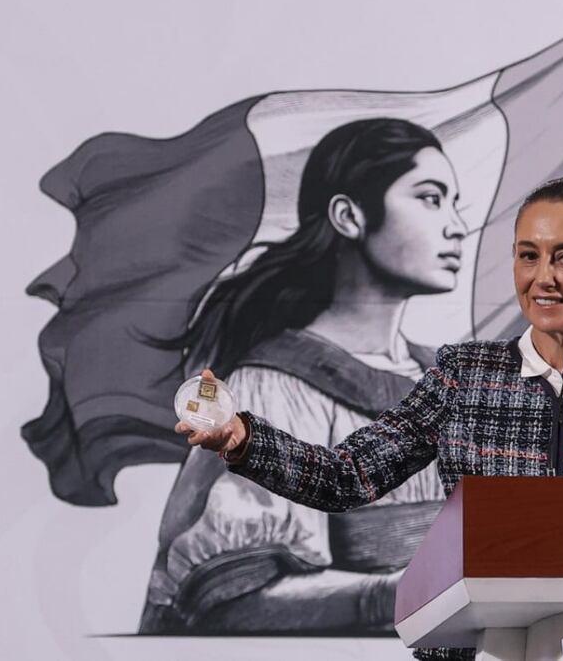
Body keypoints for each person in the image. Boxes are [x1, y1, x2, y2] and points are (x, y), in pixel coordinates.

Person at [180, 176, 563, 661]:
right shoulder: (464, 376)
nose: (543, 278)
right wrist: (245, 440)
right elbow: (347, 476)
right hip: (474, 650)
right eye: (527, 256)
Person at [140, 118, 467, 635]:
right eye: (430, 199)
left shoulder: (452, 378)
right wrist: (412, 592)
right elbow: (233, 598)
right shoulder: (273, 386)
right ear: (348, 216)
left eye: (455, 204)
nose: (456, 226)